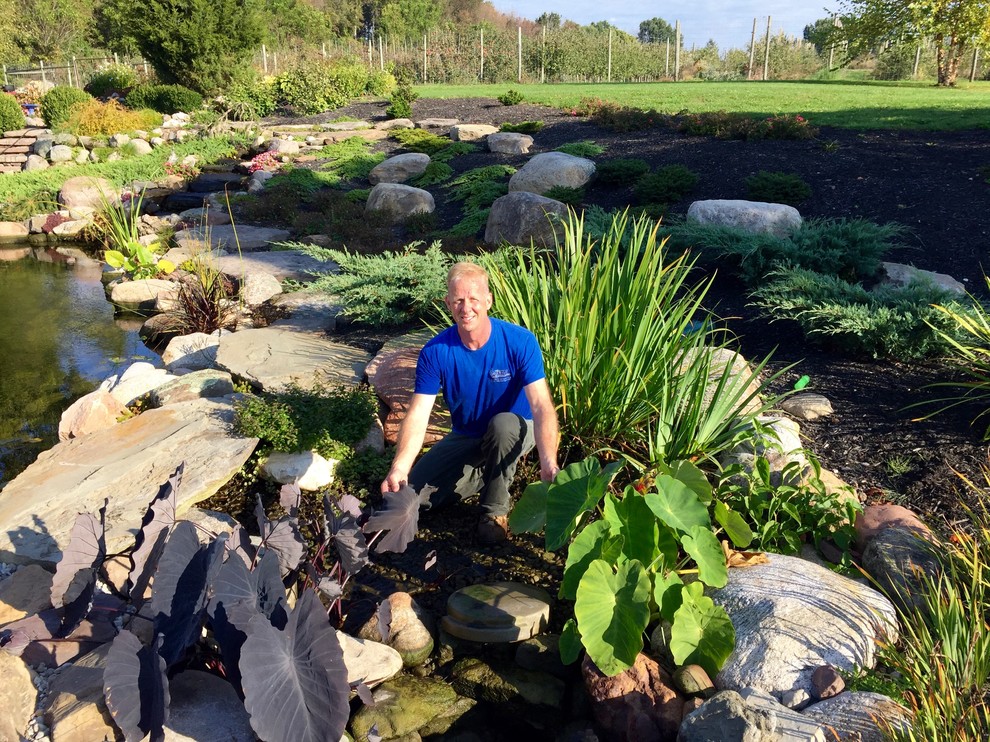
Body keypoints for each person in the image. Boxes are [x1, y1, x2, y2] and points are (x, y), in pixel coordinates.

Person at [381, 261, 560, 544]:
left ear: (488, 300)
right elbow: (418, 415)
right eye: (459, 300)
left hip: (516, 429)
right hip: (467, 435)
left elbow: (542, 406)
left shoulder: (520, 341)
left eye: (474, 299)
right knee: (414, 498)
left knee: (502, 426)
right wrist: (400, 468)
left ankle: (494, 512)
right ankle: (486, 471)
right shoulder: (436, 351)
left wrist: (548, 461)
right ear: (448, 302)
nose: (467, 308)